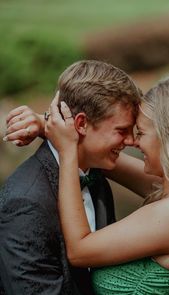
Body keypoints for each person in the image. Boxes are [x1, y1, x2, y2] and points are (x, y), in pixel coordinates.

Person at [6, 74, 169, 294]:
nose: (133, 142)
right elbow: (103, 157)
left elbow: (78, 250)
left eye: (141, 133)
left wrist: (67, 150)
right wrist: (48, 126)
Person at [0, 60, 145, 295]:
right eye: (122, 131)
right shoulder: (25, 202)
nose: (131, 141)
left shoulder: (96, 179)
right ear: (81, 123)